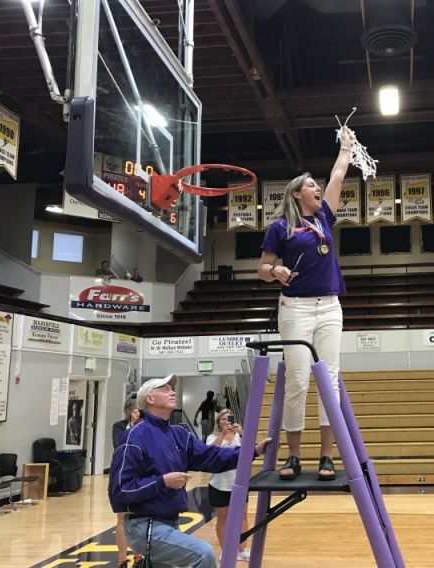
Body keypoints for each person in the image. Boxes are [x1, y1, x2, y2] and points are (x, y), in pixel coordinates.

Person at [257, 126, 356, 481]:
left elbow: (338, 175)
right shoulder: (280, 227)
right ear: (298, 193)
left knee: (328, 380)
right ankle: (294, 455)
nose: (318, 188)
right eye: (311, 185)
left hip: (329, 306)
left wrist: (345, 146)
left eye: (318, 185)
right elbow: (263, 269)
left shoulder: (324, 217)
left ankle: (327, 456)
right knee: (297, 380)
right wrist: (277, 270)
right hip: (295, 308)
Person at [109, 375, 272, 568]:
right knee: (203, 554)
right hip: (144, 526)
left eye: (172, 389)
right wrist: (163, 482)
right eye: (164, 389)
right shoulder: (133, 437)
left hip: (169, 523)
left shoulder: (179, 435)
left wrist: (252, 451)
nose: (171, 391)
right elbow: (119, 490)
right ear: (149, 399)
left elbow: (213, 456)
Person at [207, 409, 250, 563]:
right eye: (223, 419)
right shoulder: (212, 437)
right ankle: (226, 551)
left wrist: (244, 433)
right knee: (223, 518)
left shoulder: (239, 435)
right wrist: (222, 435)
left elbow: (251, 450)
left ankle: (242, 549)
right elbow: (209, 453)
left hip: (239, 483)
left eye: (228, 418)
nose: (226, 421)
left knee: (242, 517)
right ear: (218, 422)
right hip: (218, 484)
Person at [111, 394, 142, 568]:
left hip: (141, 476)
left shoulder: (146, 427)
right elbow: (119, 444)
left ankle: (139, 555)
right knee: (122, 518)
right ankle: (122, 559)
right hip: (122, 476)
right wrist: (131, 425)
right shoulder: (119, 427)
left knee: (140, 517)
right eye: (136, 409)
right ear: (129, 411)